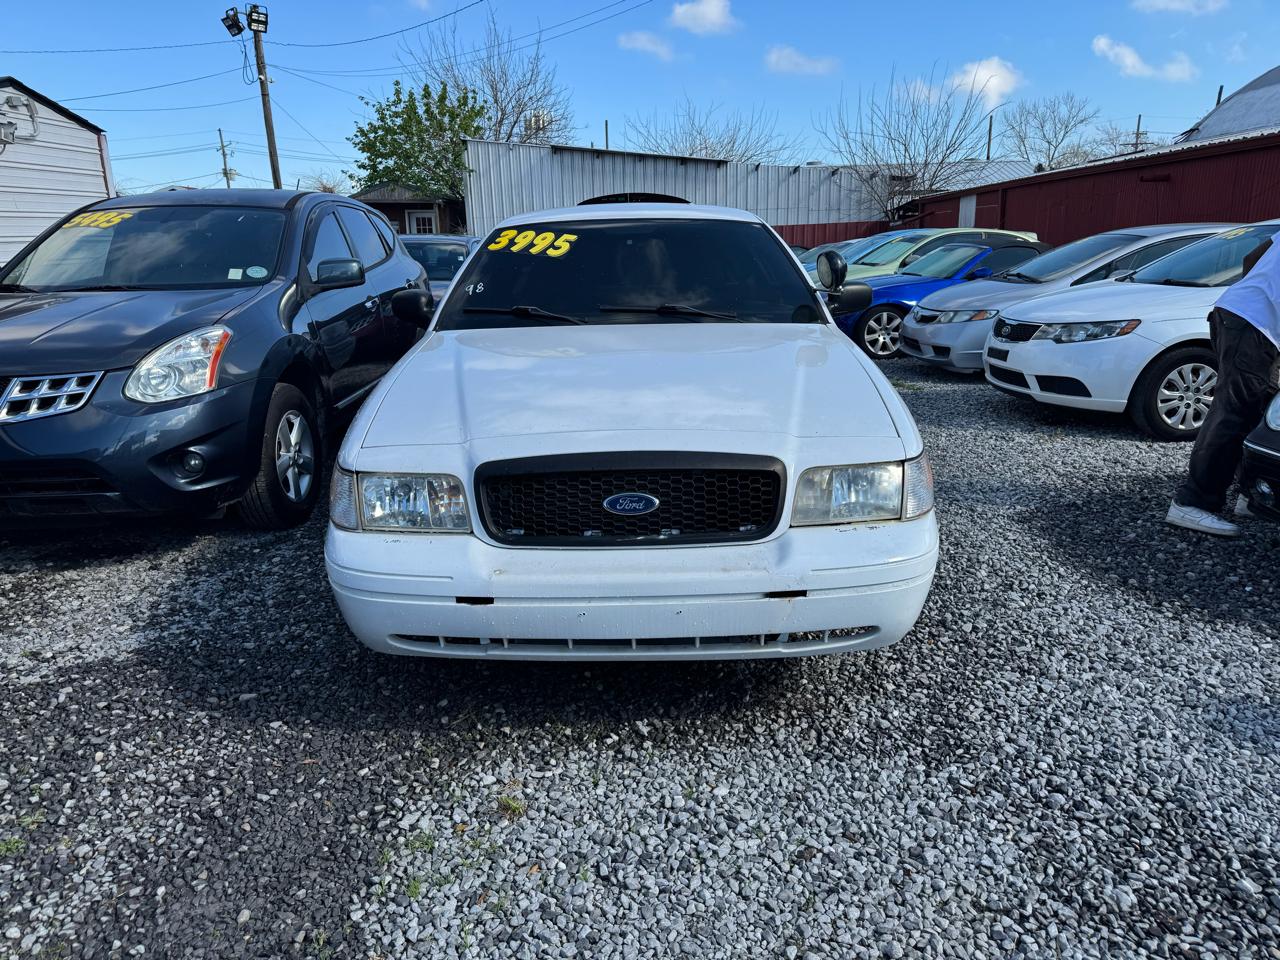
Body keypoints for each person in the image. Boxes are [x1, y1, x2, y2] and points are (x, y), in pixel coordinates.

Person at [1167, 234, 1280, 536]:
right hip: (1253, 325)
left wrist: (1256, 294)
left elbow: (1251, 258)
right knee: (1234, 412)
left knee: (1259, 410)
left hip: (1239, 314)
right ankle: (1193, 502)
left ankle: (1250, 495)